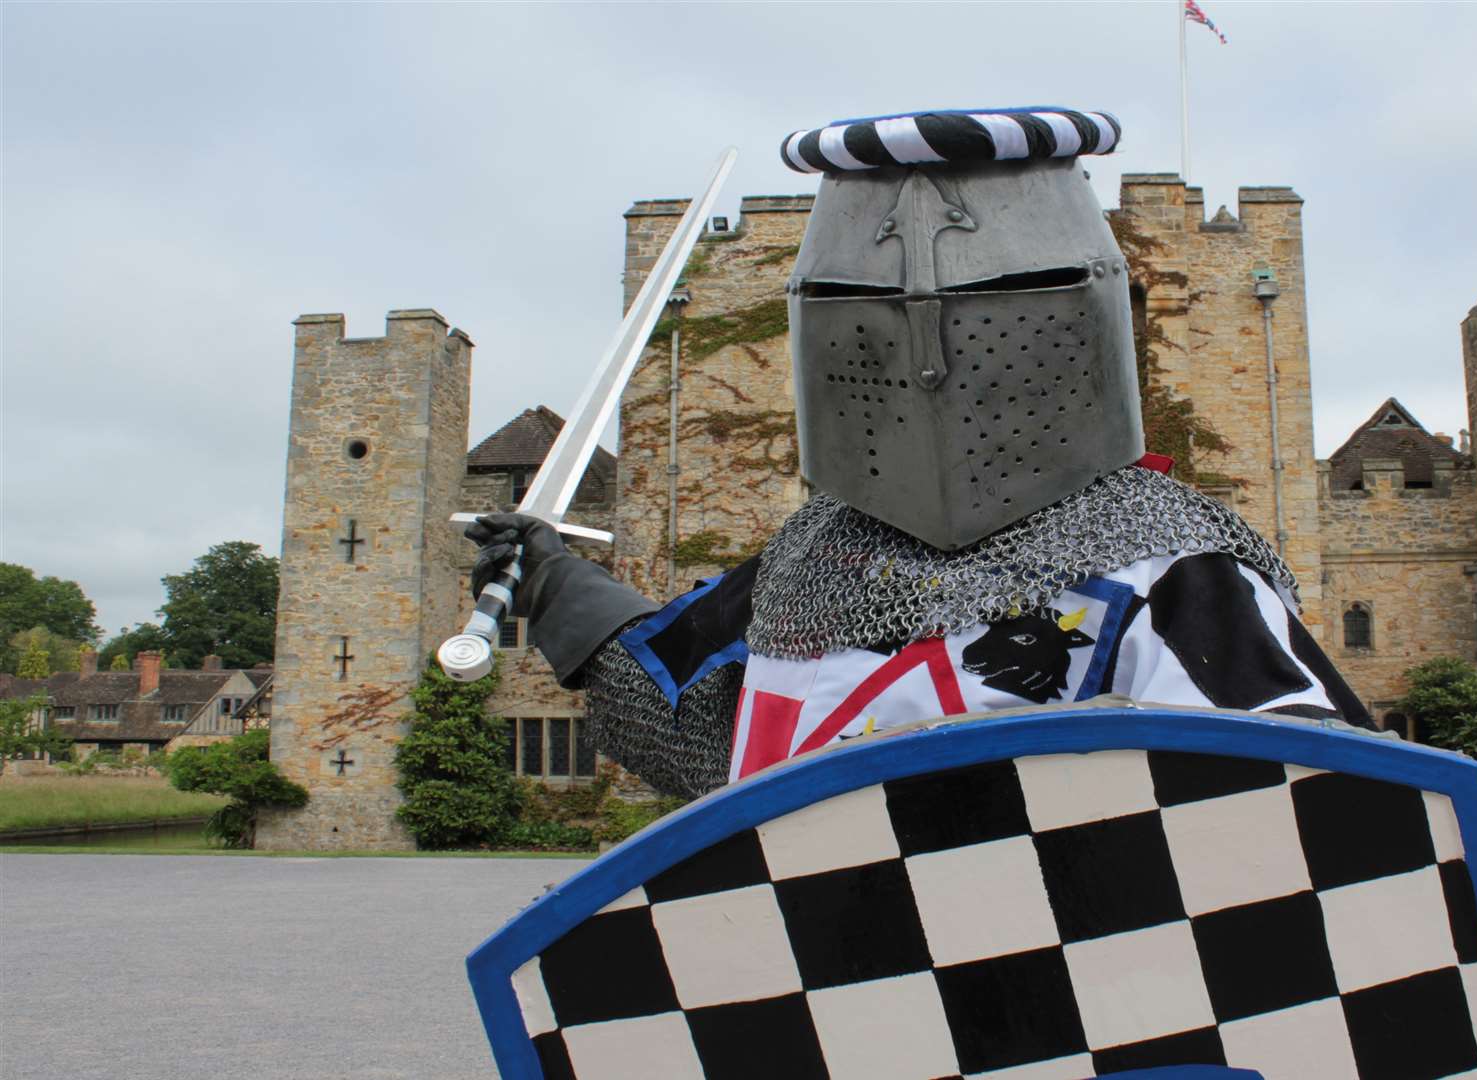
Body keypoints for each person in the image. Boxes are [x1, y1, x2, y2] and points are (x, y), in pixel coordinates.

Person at [465, 107, 1370, 800]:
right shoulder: (814, 560)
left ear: (1074, 311)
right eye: (861, 304)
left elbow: (1323, 820)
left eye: (997, 302)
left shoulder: (1174, 575)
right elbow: (684, 712)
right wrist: (552, 582)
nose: (930, 361)